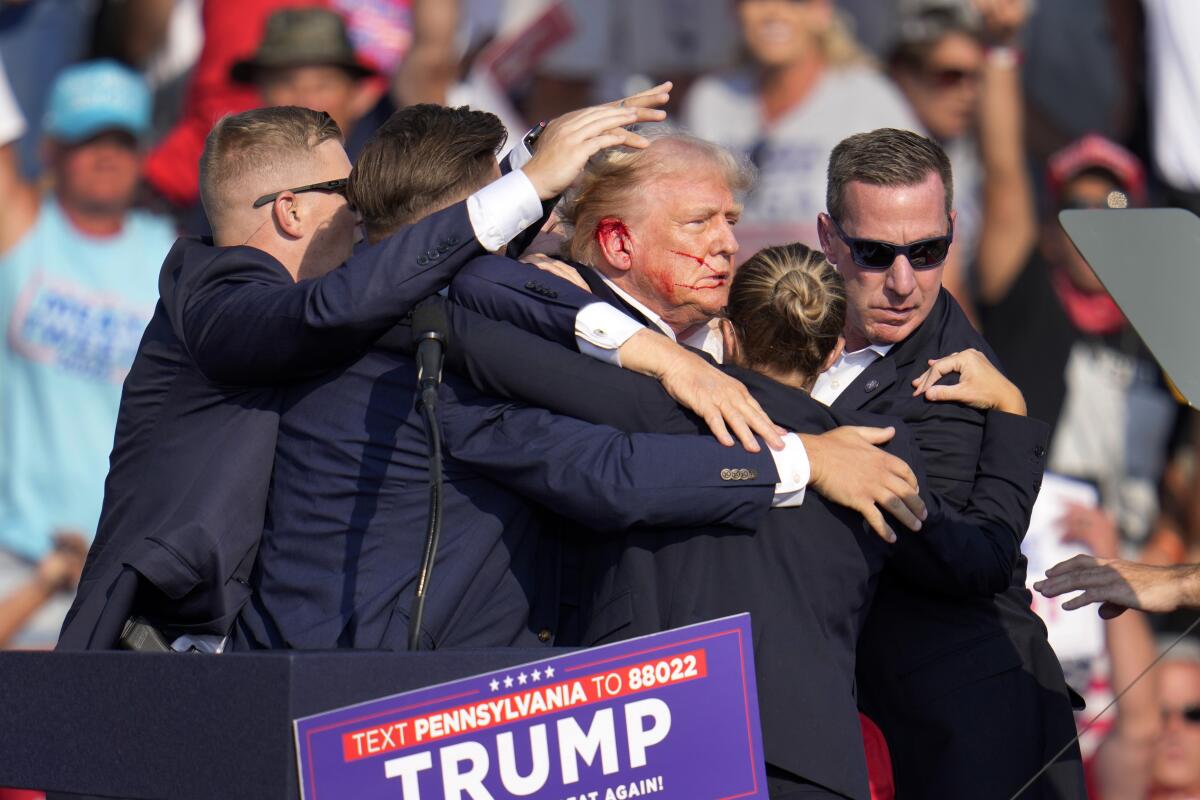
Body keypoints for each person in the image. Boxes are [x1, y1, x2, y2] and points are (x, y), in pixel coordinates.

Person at [56, 86, 674, 652]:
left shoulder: (315, 301)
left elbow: (415, 265)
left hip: (248, 663)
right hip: (153, 670)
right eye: (346, 194)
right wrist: (527, 182)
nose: (361, 213)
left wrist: (534, 161)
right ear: (291, 212)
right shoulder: (217, 294)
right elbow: (344, 303)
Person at [232, 104, 820, 654]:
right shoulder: (432, 345)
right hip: (384, 695)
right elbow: (609, 473)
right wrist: (806, 462)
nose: (728, 243)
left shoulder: (345, 317)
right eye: (504, 208)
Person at [807, 127, 1084, 799]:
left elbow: (970, 559)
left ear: (953, 230)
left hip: (972, 726)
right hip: (862, 714)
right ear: (827, 237)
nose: (904, 283)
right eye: (875, 253)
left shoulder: (959, 381)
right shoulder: (787, 314)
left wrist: (807, 450)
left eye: (928, 252)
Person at [0, 60, 176, 648]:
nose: (106, 156)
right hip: (17, 554)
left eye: (121, 141)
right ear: (50, 149)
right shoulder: (20, 233)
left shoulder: (172, 261)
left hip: (121, 568)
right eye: (86, 140)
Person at [979, 135, 1177, 548]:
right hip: (1025, 559)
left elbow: (1183, 506)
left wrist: (1130, 573)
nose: (1095, 223)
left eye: (1115, 206)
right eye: (1076, 209)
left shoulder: (1172, 332)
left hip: (1133, 572)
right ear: (1050, 231)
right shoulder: (1027, 299)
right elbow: (1003, 170)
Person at [682, 0, 920, 253]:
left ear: (822, 10)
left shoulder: (869, 99)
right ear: (735, 10)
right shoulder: (709, 100)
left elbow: (922, 222)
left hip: (832, 289)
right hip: (732, 288)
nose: (774, 11)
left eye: (795, 1)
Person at [886, 0, 1035, 314]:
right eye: (950, 76)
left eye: (975, 78)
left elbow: (1005, 165)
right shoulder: (884, 146)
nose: (967, 92)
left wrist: (1000, 44)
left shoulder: (961, 146)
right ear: (904, 73)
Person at [230, 7, 386, 161]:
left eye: (322, 85)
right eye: (287, 84)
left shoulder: (389, 174)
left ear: (359, 96)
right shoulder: (233, 173)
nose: (305, 102)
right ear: (261, 91)